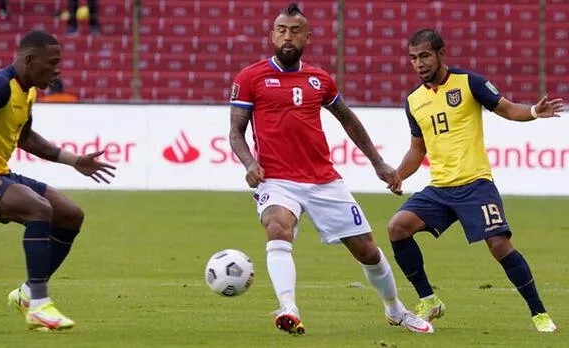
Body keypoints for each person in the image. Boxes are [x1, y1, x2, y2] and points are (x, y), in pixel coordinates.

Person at [228, 3, 433, 336]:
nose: (287, 36)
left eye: (295, 31)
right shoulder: (251, 78)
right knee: (277, 228)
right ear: (272, 35)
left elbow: (348, 119)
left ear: (308, 36)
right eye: (281, 30)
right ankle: (288, 308)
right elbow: (236, 130)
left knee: (367, 250)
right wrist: (250, 163)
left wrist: (378, 162)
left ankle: (395, 309)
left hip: (323, 180)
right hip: (276, 178)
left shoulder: (319, 79)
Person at [387, 28, 564, 333]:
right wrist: (398, 176)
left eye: (425, 56)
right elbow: (418, 149)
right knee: (397, 227)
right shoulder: (414, 100)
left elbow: (508, 109)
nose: (418, 64)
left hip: (475, 185)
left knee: (498, 244)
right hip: (439, 189)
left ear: (442, 53)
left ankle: (539, 313)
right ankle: (429, 300)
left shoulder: (470, 82)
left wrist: (534, 111)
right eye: (413, 58)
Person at [0, 30, 116, 331]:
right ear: (29, 60)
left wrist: (74, 160)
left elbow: (26, 139)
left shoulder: (27, 91)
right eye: (52, 63)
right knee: (39, 209)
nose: (57, 70)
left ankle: (26, 292)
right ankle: (38, 304)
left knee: (70, 215)